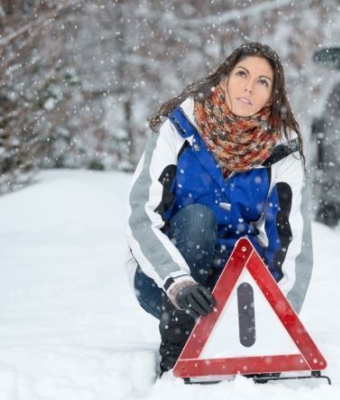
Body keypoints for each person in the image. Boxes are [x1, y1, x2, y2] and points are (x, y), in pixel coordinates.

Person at [125, 42, 313, 375]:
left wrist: (277, 319)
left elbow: (291, 244)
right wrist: (178, 282)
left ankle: (240, 341)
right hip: (166, 282)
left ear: (272, 97)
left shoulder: (282, 153)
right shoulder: (179, 128)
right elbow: (141, 218)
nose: (249, 87)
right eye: (242, 74)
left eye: (262, 82)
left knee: (249, 253)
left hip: (234, 289)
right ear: (224, 79)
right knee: (199, 218)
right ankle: (177, 346)